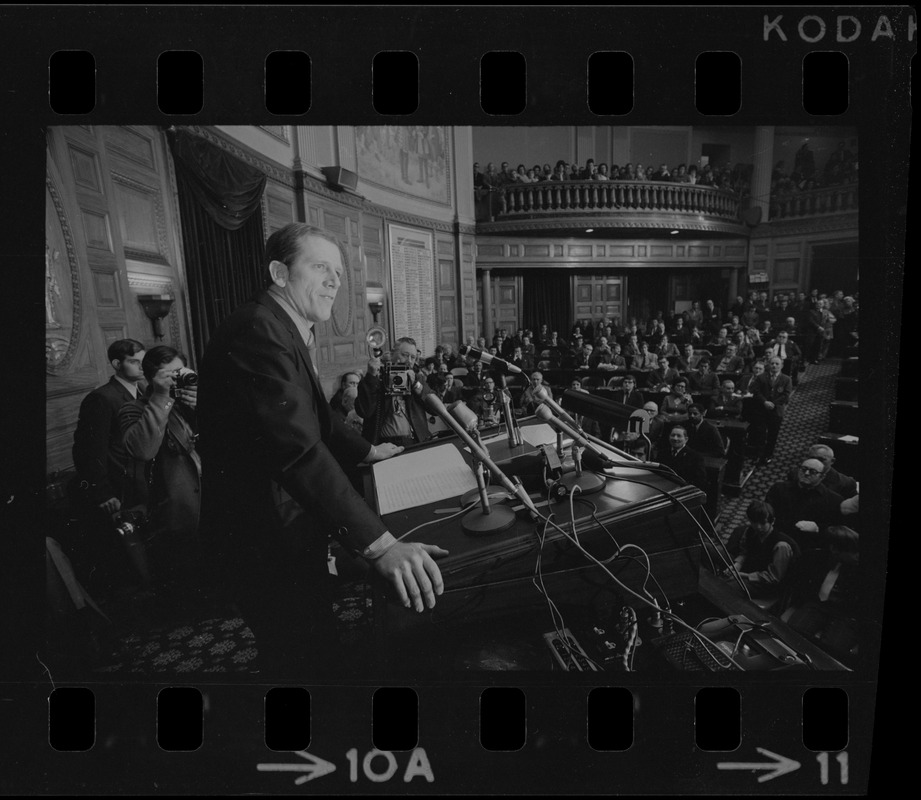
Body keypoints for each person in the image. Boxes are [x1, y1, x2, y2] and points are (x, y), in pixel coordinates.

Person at [197, 224, 448, 678]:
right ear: (279, 272)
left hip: (283, 528)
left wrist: (370, 452)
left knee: (313, 642)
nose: (335, 280)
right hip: (263, 538)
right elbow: (297, 450)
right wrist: (382, 547)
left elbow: (317, 416)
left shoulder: (282, 325)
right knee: (300, 654)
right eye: (320, 267)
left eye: (338, 271)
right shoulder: (259, 330)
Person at [118, 346, 202, 595]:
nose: (178, 378)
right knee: (189, 593)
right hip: (176, 515)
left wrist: (203, 408)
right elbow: (143, 449)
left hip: (212, 506)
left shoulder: (191, 402)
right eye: (170, 375)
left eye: (181, 372)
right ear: (150, 377)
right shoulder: (133, 410)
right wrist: (161, 397)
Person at [71, 339, 148, 517]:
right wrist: (102, 493)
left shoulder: (143, 390)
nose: (142, 367)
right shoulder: (101, 398)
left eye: (144, 361)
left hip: (139, 479)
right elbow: (88, 450)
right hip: (119, 487)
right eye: (134, 362)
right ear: (117, 364)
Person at [356, 336, 432, 447]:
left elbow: (435, 408)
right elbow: (364, 411)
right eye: (405, 355)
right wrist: (371, 378)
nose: (409, 361)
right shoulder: (376, 378)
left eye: (413, 357)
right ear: (392, 354)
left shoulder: (416, 379)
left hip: (415, 441)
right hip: (384, 444)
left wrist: (416, 385)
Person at [726, 500, 799, 602]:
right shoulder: (750, 531)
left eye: (763, 523)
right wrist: (737, 565)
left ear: (772, 521)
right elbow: (745, 551)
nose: (758, 527)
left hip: (766, 585)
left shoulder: (781, 545)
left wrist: (743, 575)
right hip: (750, 570)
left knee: (728, 588)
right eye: (754, 522)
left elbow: (773, 578)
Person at [765, 458, 844, 550]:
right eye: (803, 469)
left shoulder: (833, 500)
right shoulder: (779, 489)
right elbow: (767, 513)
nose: (806, 473)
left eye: (812, 472)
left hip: (809, 546)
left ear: (822, 477)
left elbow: (835, 530)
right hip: (777, 540)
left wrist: (818, 528)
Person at [750, 356, 792, 465]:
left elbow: (786, 395)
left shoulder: (786, 379)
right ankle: (758, 455)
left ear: (781, 366)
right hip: (761, 410)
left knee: (772, 434)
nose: (774, 366)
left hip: (776, 411)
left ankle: (768, 455)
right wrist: (765, 402)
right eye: (772, 363)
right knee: (760, 434)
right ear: (769, 365)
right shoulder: (761, 377)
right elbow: (756, 392)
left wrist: (773, 403)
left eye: (777, 364)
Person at [786, 444, 858, 500]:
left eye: (821, 459)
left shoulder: (846, 483)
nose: (816, 462)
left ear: (832, 461)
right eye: (812, 458)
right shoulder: (795, 474)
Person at [659, 425, 707, 491]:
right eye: (673, 435)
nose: (675, 438)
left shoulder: (695, 457)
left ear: (686, 439)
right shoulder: (662, 453)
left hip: (683, 492)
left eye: (679, 436)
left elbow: (699, 481)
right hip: (663, 489)